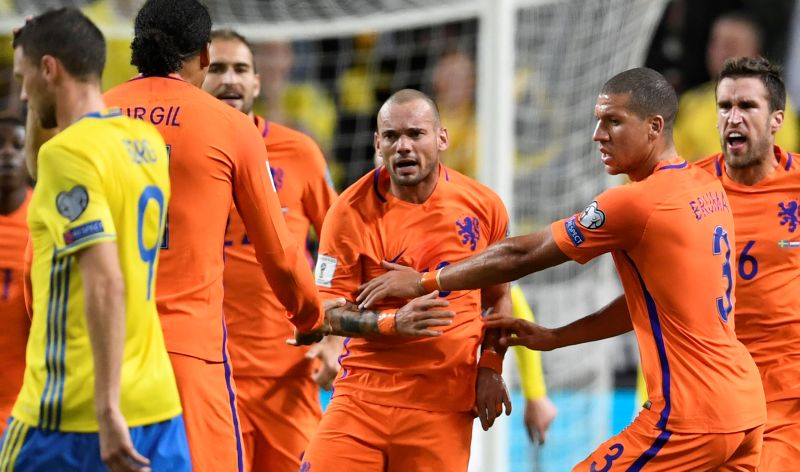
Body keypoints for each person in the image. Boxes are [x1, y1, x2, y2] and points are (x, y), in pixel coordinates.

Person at [358, 69, 767, 470]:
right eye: (597, 121)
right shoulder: (707, 187)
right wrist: (557, 337)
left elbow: (521, 256)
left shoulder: (635, 203)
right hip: (744, 406)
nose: (598, 135)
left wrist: (426, 280)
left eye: (613, 121)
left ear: (653, 127)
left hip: (689, 415)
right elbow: (652, 304)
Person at [103, 1, 326, 470]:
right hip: (190, 351)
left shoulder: (95, 117)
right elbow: (281, 255)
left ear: (136, 48)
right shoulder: (230, 126)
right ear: (203, 55)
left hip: (102, 347)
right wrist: (312, 316)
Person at [4, 8, 190, 471]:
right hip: (156, 402)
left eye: (24, 78)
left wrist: (107, 410)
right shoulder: (144, 140)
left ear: (49, 69)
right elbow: (43, 166)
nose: (23, 92)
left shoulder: (67, 155)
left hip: (74, 410)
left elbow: (104, 281)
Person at [298, 88, 512, 472]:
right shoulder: (348, 212)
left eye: (416, 134)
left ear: (441, 138)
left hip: (442, 404)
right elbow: (325, 311)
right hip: (362, 396)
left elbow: (497, 299)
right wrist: (393, 323)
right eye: (392, 137)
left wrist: (491, 366)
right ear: (377, 143)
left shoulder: (484, 206)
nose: (403, 147)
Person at [201, 29, 340, 472]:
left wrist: (333, 336)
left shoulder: (298, 152)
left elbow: (341, 246)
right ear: (195, 79)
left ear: (257, 83)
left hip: (290, 374)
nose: (229, 80)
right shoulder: (175, 154)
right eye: (216, 68)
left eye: (240, 69)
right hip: (209, 375)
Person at [694, 56, 800, 471]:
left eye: (747, 107)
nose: (733, 117)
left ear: (776, 119)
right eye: (724, 107)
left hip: (785, 389)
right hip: (710, 387)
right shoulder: (687, 190)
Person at [673, 11, 798, 161]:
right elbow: (671, 158)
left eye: (730, 45)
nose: (720, 52)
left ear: (755, 54)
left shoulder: (775, 103)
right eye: (715, 43)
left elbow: (774, 162)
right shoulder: (692, 101)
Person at [0, 115, 31, 437]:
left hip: (24, 410)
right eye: (0, 145)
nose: (7, 153)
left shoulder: (44, 220)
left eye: (17, 145)